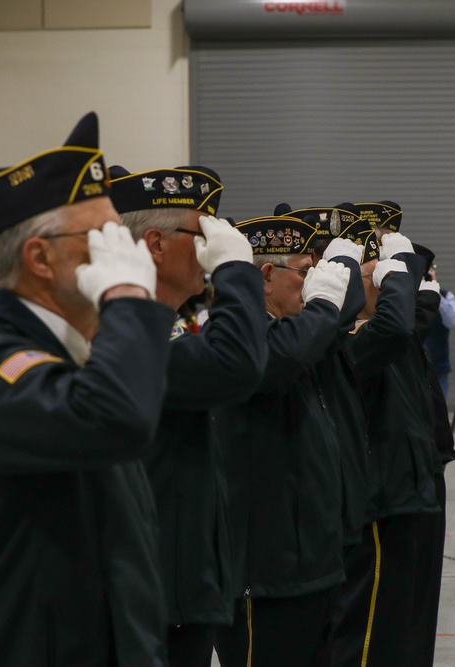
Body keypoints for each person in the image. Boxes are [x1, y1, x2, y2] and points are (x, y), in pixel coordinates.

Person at [0, 112, 175, 666]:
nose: (124, 250)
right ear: (40, 258)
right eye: (101, 237)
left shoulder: (64, 351)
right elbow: (115, 419)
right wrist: (126, 297)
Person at [109, 165, 269, 666]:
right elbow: (235, 367)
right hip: (150, 593)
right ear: (155, 244)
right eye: (202, 237)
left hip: (181, 582)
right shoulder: (124, 333)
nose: (209, 251)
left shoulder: (167, 325)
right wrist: (235, 272)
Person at [212, 213, 352, 666]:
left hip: (309, 561)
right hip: (265, 571)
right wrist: (324, 307)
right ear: (267, 276)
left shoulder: (289, 332)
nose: (310, 284)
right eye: (304, 272)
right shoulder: (242, 335)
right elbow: (274, 364)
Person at [332, 229, 442, 666]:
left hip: (401, 497)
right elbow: (396, 325)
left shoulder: (380, 338)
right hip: (376, 504)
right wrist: (399, 274)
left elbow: (407, 326)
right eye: (371, 276)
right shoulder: (348, 342)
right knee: (366, 637)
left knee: (394, 629)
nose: (381, 284)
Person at [422, 263, 455, 400]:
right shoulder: (410, 294)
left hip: (438, 365)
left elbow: (454, 320)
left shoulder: (445, 296)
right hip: (416, 366)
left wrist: (435, 292)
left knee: (440, 412)